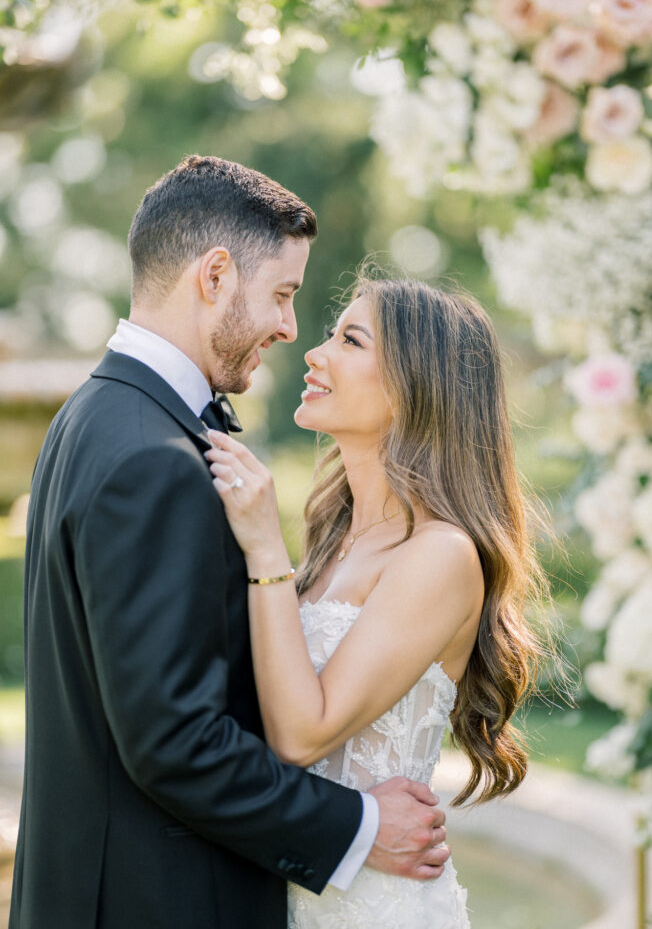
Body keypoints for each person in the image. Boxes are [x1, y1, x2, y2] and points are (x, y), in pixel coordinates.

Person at [9, 158, 451, 929]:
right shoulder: (154, 456)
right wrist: (361, 827)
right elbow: (175, 741)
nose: (290, 328)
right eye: (282, 295)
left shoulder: (97, 414)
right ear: (214, 275)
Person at [206, 275, 549, 928]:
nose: (314, 352)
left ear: (411, 388)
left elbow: (303, 732)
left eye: (350, 340)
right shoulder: (333, 542)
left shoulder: (441, 555)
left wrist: (264, 551)